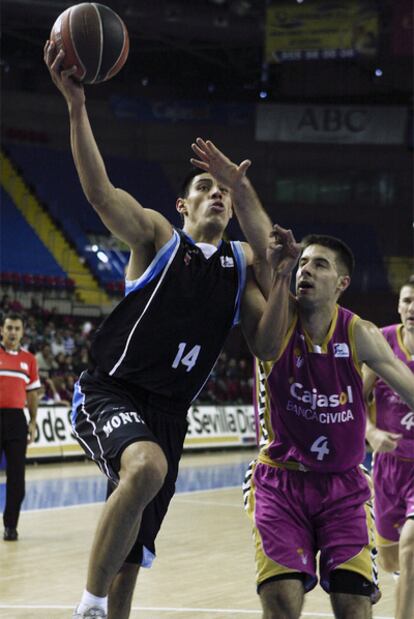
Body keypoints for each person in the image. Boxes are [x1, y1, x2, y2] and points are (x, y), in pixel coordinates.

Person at [43, 40, 273, 619]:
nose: (215, 194)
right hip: (110, 391)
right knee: (144, 467)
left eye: (222, 191)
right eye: (204, 188)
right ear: (181, 205)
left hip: (170, 415)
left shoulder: (240, 264)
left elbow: (268, 318)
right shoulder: (158, 239)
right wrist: (75, 105)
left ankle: (108, 606)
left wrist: (242, 188)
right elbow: (99, 193)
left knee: (132, 561)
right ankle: (87, 608)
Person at [241, 226, 414, 619]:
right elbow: (260, 240)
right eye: (303, 263)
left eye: (319, 265)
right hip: (280, 481)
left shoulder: (361, 334)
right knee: (282, 602)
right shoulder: (278, 322)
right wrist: (238, 189)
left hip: (343, 488)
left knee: (354, 608)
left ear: (342, 283)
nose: (306, 271)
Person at [363, 281, 414, 619]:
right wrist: (370, 433)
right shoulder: (380, 342)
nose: (413, 308)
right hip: (387, 469)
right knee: (393, 560)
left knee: (411, 549)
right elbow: (352, 403)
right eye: (408, 301)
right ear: (398, 307)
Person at [0, 312, 41, 541]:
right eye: (9, 328)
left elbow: (32, 393)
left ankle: (10, 526)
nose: (13, 332)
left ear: (22, 332)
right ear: (2, 330)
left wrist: (33, 421)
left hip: (17, 420)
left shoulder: (30, 360)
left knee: (17, 477)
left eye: (17, 328)